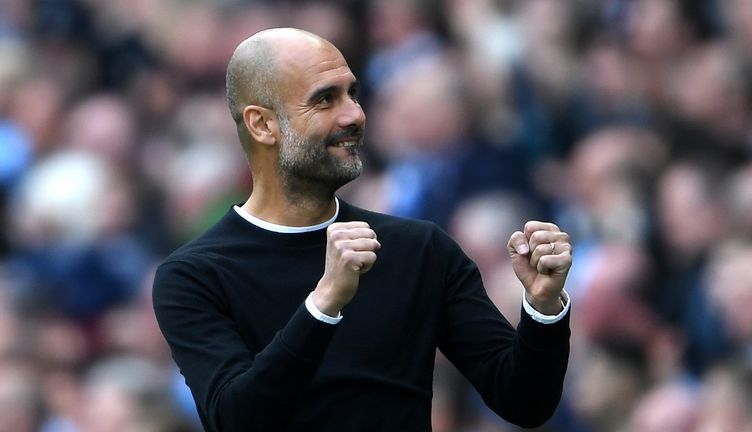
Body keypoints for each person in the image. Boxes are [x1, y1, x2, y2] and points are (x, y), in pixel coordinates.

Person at [152, 27, 572, 432]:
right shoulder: (194, 275)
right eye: (325, 100)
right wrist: (323, 304)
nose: (354, 114)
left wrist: (543, 309)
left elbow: (524, 403)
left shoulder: (419, 248)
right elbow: (237, 419)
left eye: (352, 93)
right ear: (263, 125)